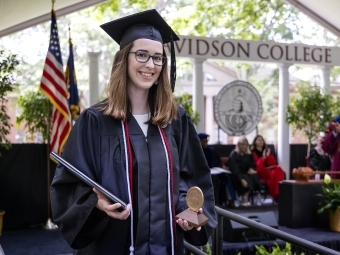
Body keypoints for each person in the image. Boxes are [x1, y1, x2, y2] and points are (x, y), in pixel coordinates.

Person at [50, 9, 217, 255]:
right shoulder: (94, 121)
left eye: (158, 58)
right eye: (141, 55)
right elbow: (69, 185)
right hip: (111, 247)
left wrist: (189, 213)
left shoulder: (176, 120)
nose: (150, 65)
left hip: (166, 246)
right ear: (124, 58)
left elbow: (192, 179)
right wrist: (95, 202)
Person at [198, 133, 236, 208]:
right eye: (203, 142)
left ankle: (230, 200)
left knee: (226, 178)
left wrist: (221, 167)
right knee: (214, 180)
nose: (205, 144)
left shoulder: (212, 150)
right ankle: (215, 202)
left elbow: (218, 163)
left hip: (214, 172)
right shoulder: (195, 151)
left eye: (206, 141)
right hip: (202, 174)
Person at [228, 136, 263, 206]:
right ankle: (245, 196)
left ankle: (245, 195)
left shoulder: (248, 154)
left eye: (245, 144)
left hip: (247, 173)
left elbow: (252, 164)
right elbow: (235, 169)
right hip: (237, 175)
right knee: (247, 178)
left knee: (253, 175)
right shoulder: (234, 154)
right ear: (238, 145)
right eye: (242, 144)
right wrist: (242, 179)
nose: (244, 146)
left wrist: (251, 168)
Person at [251, 135, 284, 203]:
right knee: (273, 173)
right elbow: (258, 166)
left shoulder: (266, 151)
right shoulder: (253, 152)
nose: (260, 141)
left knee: (278, 169)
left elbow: (274, 163)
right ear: (255, 142)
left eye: (261, 140)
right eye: (258, 140)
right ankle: (275, 195)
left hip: (268, 169)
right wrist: (263, 158)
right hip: (260, 171)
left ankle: (278, 193)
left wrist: (268, 156)